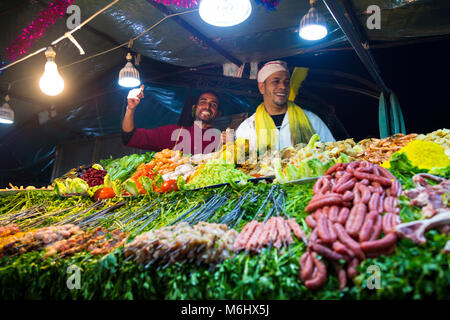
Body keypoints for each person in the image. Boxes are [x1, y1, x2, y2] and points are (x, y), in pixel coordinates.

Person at [235, 61, 335, 153]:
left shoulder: (311, 120)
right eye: (276, 81)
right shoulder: (247, 128)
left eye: (286, 82)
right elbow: (241, 165)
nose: (283, 87)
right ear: (262, 87)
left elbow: (333, 152)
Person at [122, 85, 224, 155]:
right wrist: (130, 108)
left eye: (213, 105)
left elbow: (238, 164)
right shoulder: (173, 133)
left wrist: (228, 145)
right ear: (193, 108)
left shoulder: (223, 139)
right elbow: (130, 137)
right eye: (203, 102)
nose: (207, 106)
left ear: (218, 114)